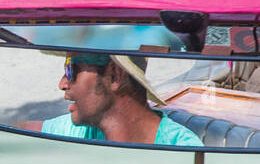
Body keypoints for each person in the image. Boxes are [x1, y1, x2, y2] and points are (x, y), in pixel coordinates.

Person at [42, 52, 202, 147]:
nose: (62, 84)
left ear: (114, 75)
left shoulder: (182, 148)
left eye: (70, 69)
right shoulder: (79, 130)